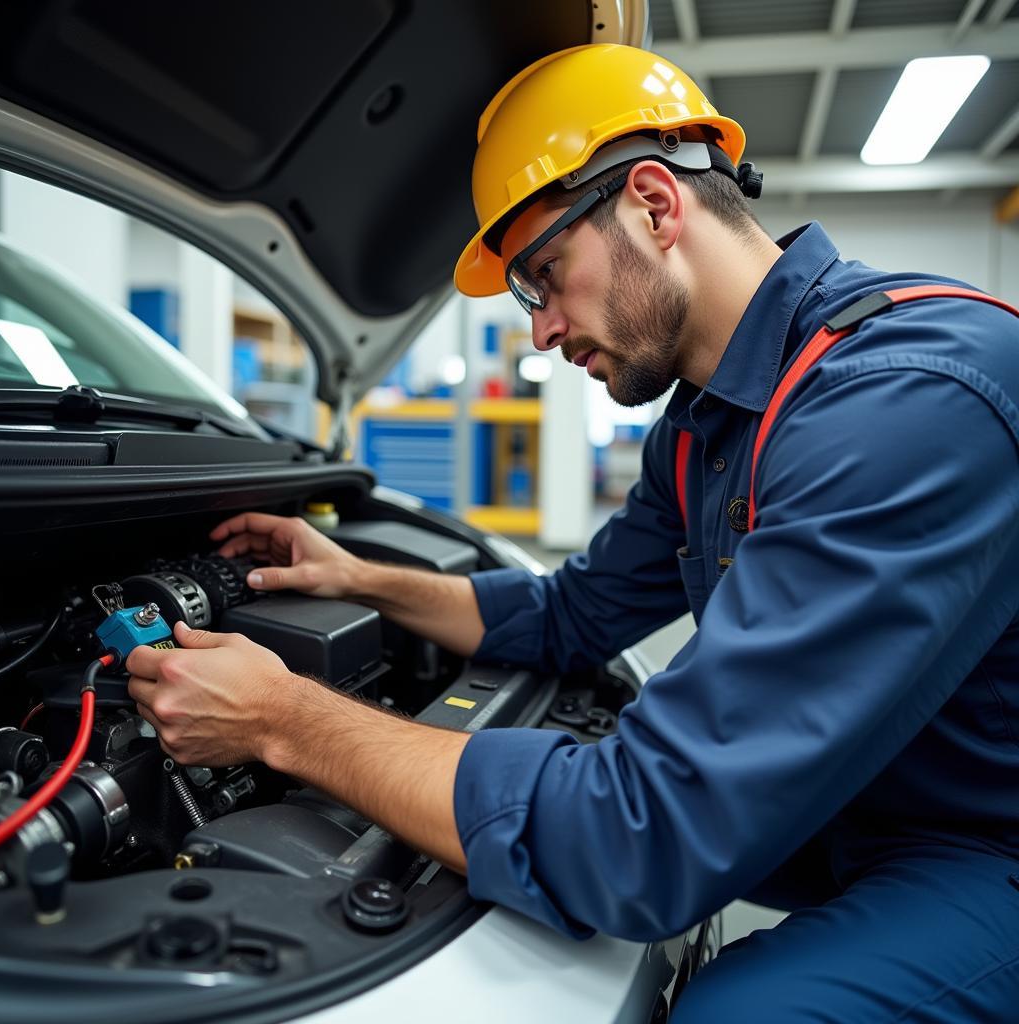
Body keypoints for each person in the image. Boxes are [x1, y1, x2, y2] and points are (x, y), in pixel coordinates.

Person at [125, 44, 1019, 1021]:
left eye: (544, 274)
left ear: (653, 203)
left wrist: (287, 719)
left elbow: (644, 837)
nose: (541, 332)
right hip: (889, 805)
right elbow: (569, 614)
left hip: (982, 842)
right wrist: (362, 575)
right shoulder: (705, 428)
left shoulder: (903, 404)